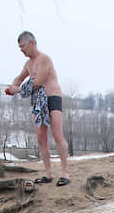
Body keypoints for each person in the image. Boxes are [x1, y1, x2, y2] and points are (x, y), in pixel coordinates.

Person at [5, 31, 71, 186]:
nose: (21, 49)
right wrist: (13, 85)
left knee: (57, 134)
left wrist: (19, 90)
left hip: (52, 98)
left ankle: (65, 172)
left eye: (23, 46)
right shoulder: (28, 64)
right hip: (37, 103)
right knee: (41, 137)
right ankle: (48, 174)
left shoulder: (44, 59)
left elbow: (38, 82)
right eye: (19, 47)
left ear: (32, 43)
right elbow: (20, 78)